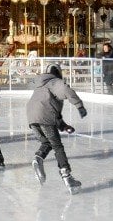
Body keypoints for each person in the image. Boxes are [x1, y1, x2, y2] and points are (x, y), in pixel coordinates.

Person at [27, 63, 88, 195]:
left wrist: (64, 126)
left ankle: (38, 157)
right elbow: (66, 90)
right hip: (44, 117)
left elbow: (49, 109)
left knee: (47, 142)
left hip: (32, 118)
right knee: (57, 146)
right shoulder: (54, 82)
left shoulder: (40, 85)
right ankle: (67, 175)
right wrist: (79, 106)